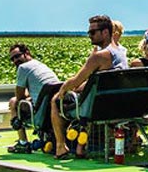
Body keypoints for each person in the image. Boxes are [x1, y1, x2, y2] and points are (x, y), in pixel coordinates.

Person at [50, 15, 122, 159]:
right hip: (120, 106)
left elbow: (75, 81)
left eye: (93, 32)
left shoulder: (100, 56)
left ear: (106, 32)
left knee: (55, 101)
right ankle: (79, 146)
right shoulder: (121, 52)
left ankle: (60, 146)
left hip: (98, 109)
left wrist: (63, 90)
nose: (89, 36)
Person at [7, 43, 60, 154]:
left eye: (17, 56)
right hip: (54, 105)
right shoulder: (40, 65)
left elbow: (19, 96)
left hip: (41, 110)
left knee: (13, 102)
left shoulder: (23, 68)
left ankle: (23, 143)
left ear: (27, 53)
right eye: (12, 59)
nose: (15, 61)